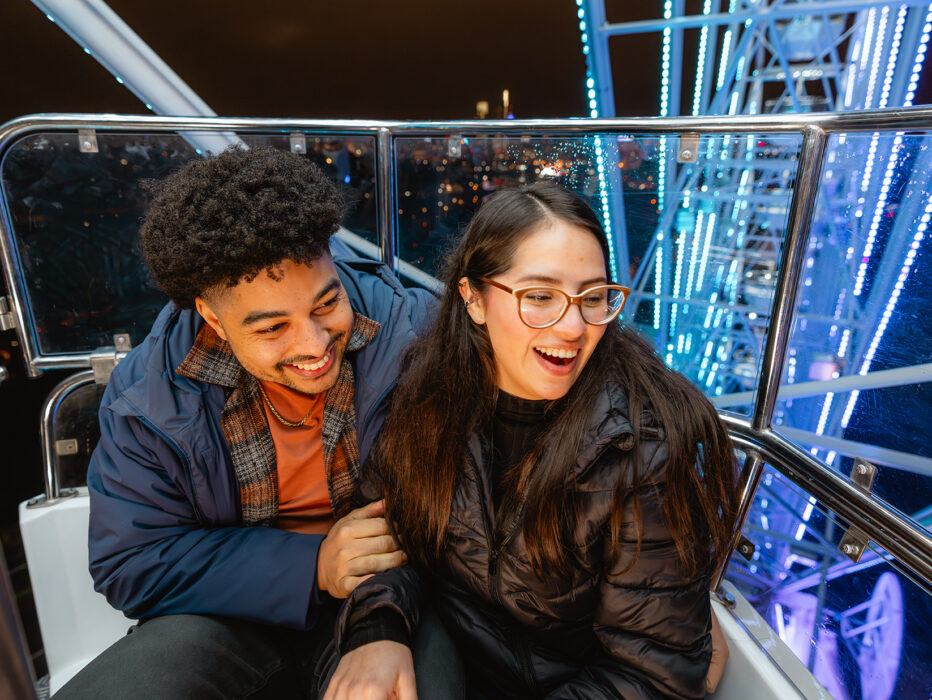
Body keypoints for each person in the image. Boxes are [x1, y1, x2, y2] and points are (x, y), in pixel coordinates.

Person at [56, 146, 460, 699]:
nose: (314, 346)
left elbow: (455, 510)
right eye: (273, 328)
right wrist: (312, 566)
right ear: (212, 318)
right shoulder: (149, 396)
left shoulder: (413, 341)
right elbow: (131, 560)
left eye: (325, 304)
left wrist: (378, 619)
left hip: (385, 597)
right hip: (227, 613)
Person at [325, 182, 739, 699]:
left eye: (592, 298)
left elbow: (652, 674)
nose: (573, 326)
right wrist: (378, 630)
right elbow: (387, 535)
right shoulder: (429, 393)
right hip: (450, 654)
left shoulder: (642, 452)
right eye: (540, 297)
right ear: (473, 299)